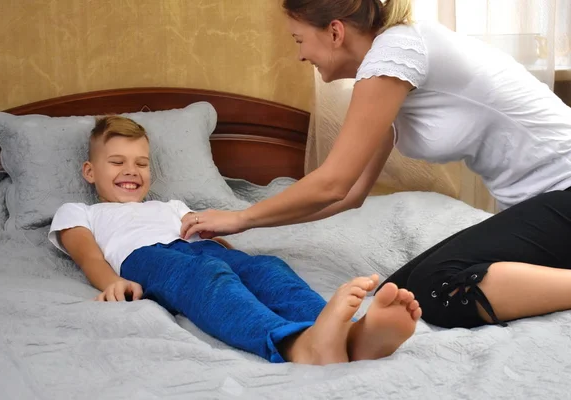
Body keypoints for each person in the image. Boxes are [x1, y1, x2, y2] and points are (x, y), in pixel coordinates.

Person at [180, 0, 571, 330]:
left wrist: (241, 217)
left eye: (299, 40)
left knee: (438, 286)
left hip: (565, 192)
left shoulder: (397, 51)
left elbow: (332, 183)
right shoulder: (389, 72)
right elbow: (349, 195)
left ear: (335, 32)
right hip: (550, 207)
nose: (300, 54)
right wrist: (250, 224)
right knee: (398, 293)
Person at [47, 115, 422, 365]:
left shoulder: (172, 205)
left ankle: (348, 335)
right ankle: (295, 345)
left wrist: (238, 260)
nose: (131, 170)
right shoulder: (81, 212)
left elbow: (212, 241)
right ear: (90, 171)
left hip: (202, 249)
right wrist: (112, 283)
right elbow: (89, 257)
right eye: (117, 162)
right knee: (209, 276)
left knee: (266, 267)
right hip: (148, 259)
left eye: (141, 163)